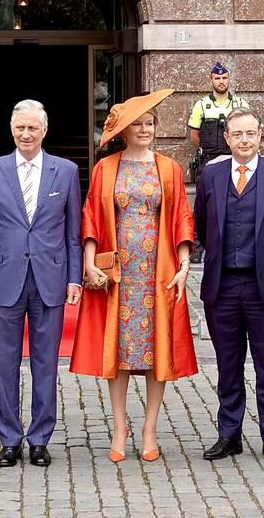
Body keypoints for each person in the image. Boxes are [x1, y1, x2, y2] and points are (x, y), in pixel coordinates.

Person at [70, 89, 197, 463]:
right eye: (138, 124)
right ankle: (120, 425)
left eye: (150, 123)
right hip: (119, 274)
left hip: (158, 270)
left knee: (158, 350)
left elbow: (181, 218)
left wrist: (185, 265)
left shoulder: (168, 167)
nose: (145, 129)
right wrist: (90, 263)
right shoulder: (105, 168)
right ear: (124, 132)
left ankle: (150, 428)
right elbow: (91, 214)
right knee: (119, 350)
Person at [0, 100, 82, 468]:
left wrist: (73, 277)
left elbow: (72, 233)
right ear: (11, 129)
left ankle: (39, 438)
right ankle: (8, 438)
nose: (26, 134)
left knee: (46, 363)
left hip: (50, 278)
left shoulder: (64, 171)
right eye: (20, 128)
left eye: (32, 128)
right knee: (5, 362)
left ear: (44, 130)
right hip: (3, 279)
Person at [194, 108, 264, 466]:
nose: (244, 140)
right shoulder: (211, 176)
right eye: (237, 134)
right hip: (222, 284)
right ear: (227, 138)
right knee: (228, 364)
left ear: (260, 137)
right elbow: (201, 225)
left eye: (250, 134)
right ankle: (229, 435)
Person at [187, 62, 249, 263]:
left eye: (224, 78)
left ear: (229, 80)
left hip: (234, 160)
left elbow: (247, 129)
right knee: (202, 205)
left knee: (236, 203)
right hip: (210, 161)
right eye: (217, 78)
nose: (221, 82)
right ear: (211, 80)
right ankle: (197, 247)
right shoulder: (202, 105)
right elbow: (194, 135)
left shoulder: (240, 104)